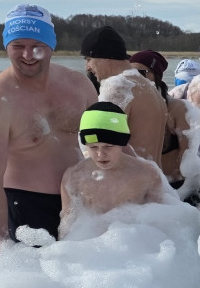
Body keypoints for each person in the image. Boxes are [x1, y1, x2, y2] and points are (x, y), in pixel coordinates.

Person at [0, 4, 98, 253]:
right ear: (6, 46)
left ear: (51, 45)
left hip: (81, 200)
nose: (28, 55)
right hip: (26, 207)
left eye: (37, 46)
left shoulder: (79, 85)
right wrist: (0, 247)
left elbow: (109, 141)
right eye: (18, 46)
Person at [59, 102, 166, 238]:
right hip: (89, 249)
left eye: (108, 146)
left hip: (135, 248)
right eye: (93, 147)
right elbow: (67, 227)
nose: (100, 154)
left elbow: (160, 224)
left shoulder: (147, 175)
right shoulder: (74, 177)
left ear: (122, 143)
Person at [81, 26, 167, 163]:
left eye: (88, 59)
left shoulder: (119, 87)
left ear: (105, 57)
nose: (87, 67)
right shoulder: (147, 86)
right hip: (155, 178)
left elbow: (99, 146)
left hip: (129, 181)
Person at [131, 49, 193, 192]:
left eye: (140, 73)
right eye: (129, 73)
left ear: (156, 76)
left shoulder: (177, 109)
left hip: (175, 189)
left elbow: (189, 156)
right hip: (140, 189)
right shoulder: (127, 109)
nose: (133, 78)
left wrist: (189, 190)